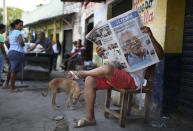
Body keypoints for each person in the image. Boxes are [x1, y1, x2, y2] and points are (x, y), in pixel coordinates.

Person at [68, 26, 164, 128]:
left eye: (134, 38)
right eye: (127, 42)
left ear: (139, 39)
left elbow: (161, 55)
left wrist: (150, 36)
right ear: (125, 47)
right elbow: (112, 65)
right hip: (117, 77)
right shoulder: (125, 54)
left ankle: (84, 73)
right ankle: (90, 118)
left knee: (106, 69)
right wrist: (103, 55)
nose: (132, 42)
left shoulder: (146, 51)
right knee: (89, 80)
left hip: (132, 81)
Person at [8, 19, 25, 92]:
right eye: (20, 25)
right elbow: (21, 42)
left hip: (11, 52)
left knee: (12, 70)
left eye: (22, 26)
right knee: (14, 71)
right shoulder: (18, 32)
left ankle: (12, 86)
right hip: (17, 52)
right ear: (15, 25)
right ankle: (12, 88)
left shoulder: (11, 32)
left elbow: (8, 43)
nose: (21, 27)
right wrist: (24, 45)